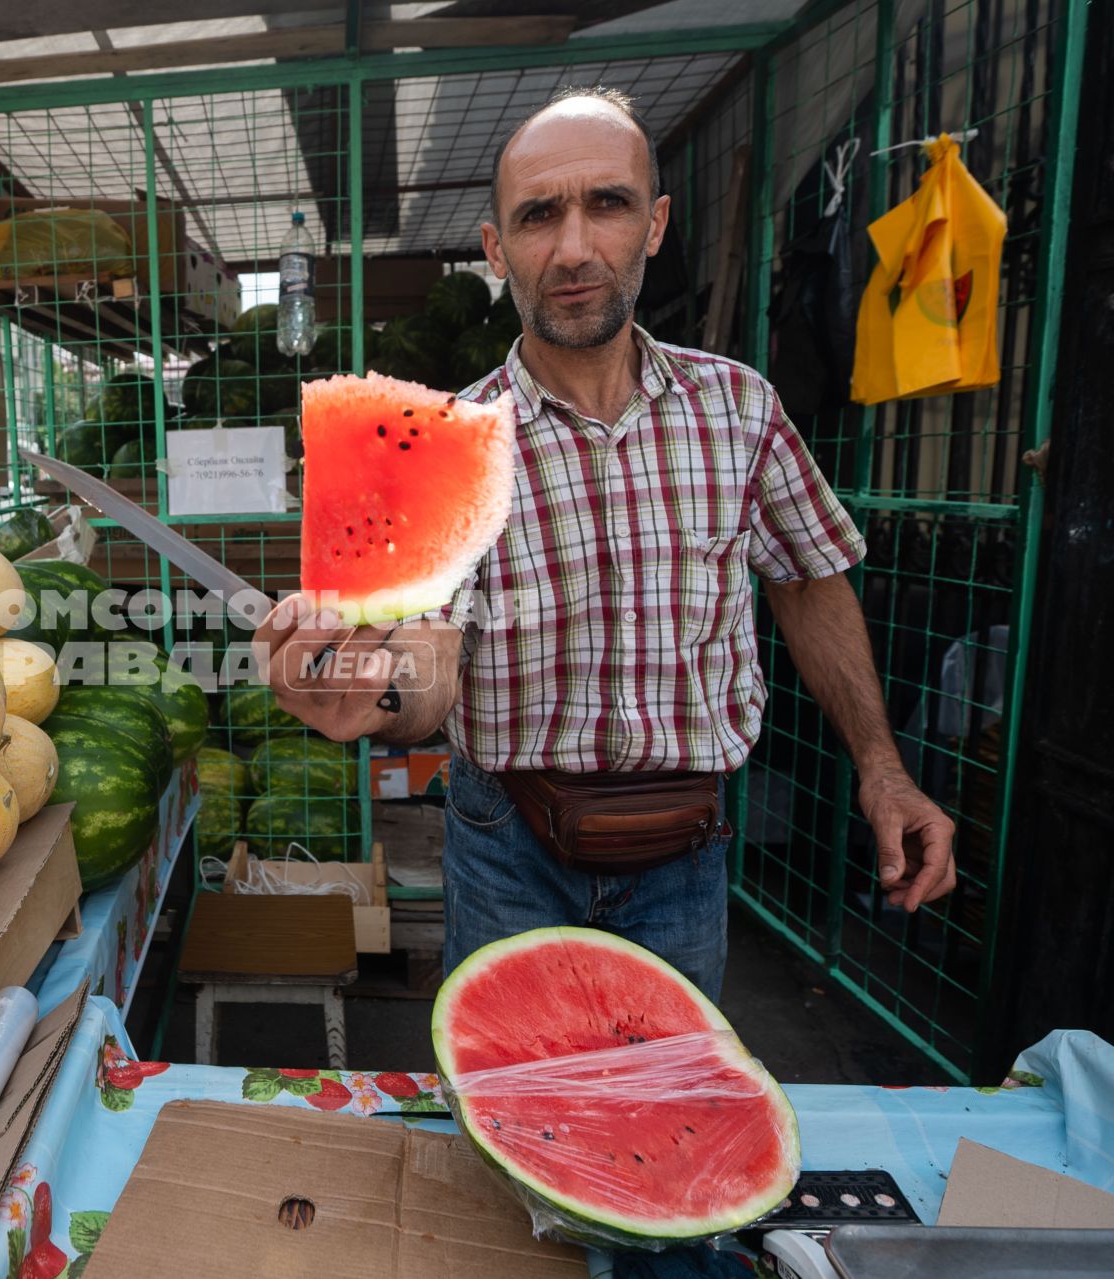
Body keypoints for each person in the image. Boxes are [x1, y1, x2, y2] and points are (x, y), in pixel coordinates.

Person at [258, 87, 956, 999]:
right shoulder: (444, 446)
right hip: (509, 848)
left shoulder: (741, 410)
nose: (576, 248)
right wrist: (377, 692)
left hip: (685, 854)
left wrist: (883, 768)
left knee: (665, 1115)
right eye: (540, 215)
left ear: (656, 223)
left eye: (609, 204)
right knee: (504, 1109)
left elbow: (807, 578)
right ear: (497, 249)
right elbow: (430, 651)